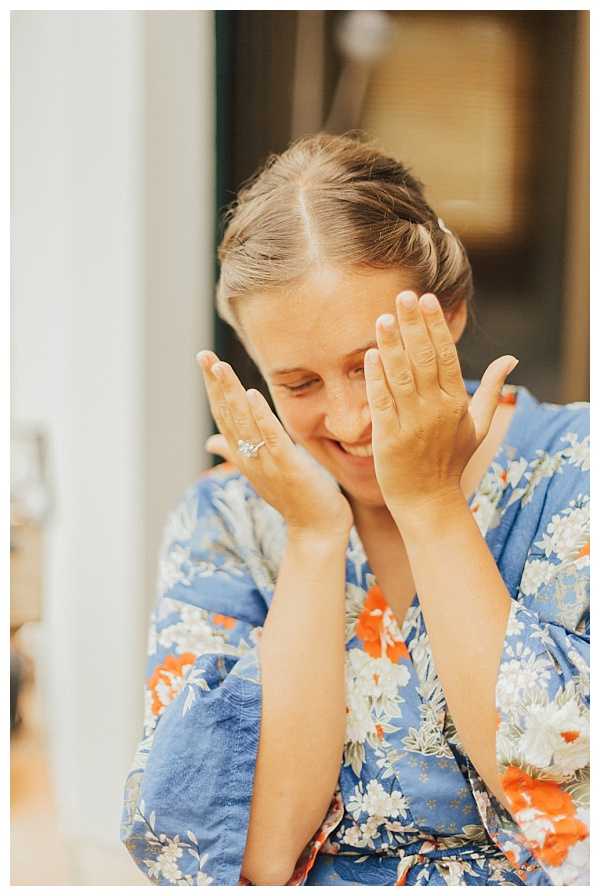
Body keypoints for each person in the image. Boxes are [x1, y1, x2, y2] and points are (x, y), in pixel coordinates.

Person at [120, 133, 589, 886]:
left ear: (453, 314)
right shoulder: (224, 523)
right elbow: (249, 856)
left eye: (370, 365)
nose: (348, 422)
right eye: (298, 385)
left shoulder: (578, 476)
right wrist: (311, 538)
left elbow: (570, 807)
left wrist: (432, 505)